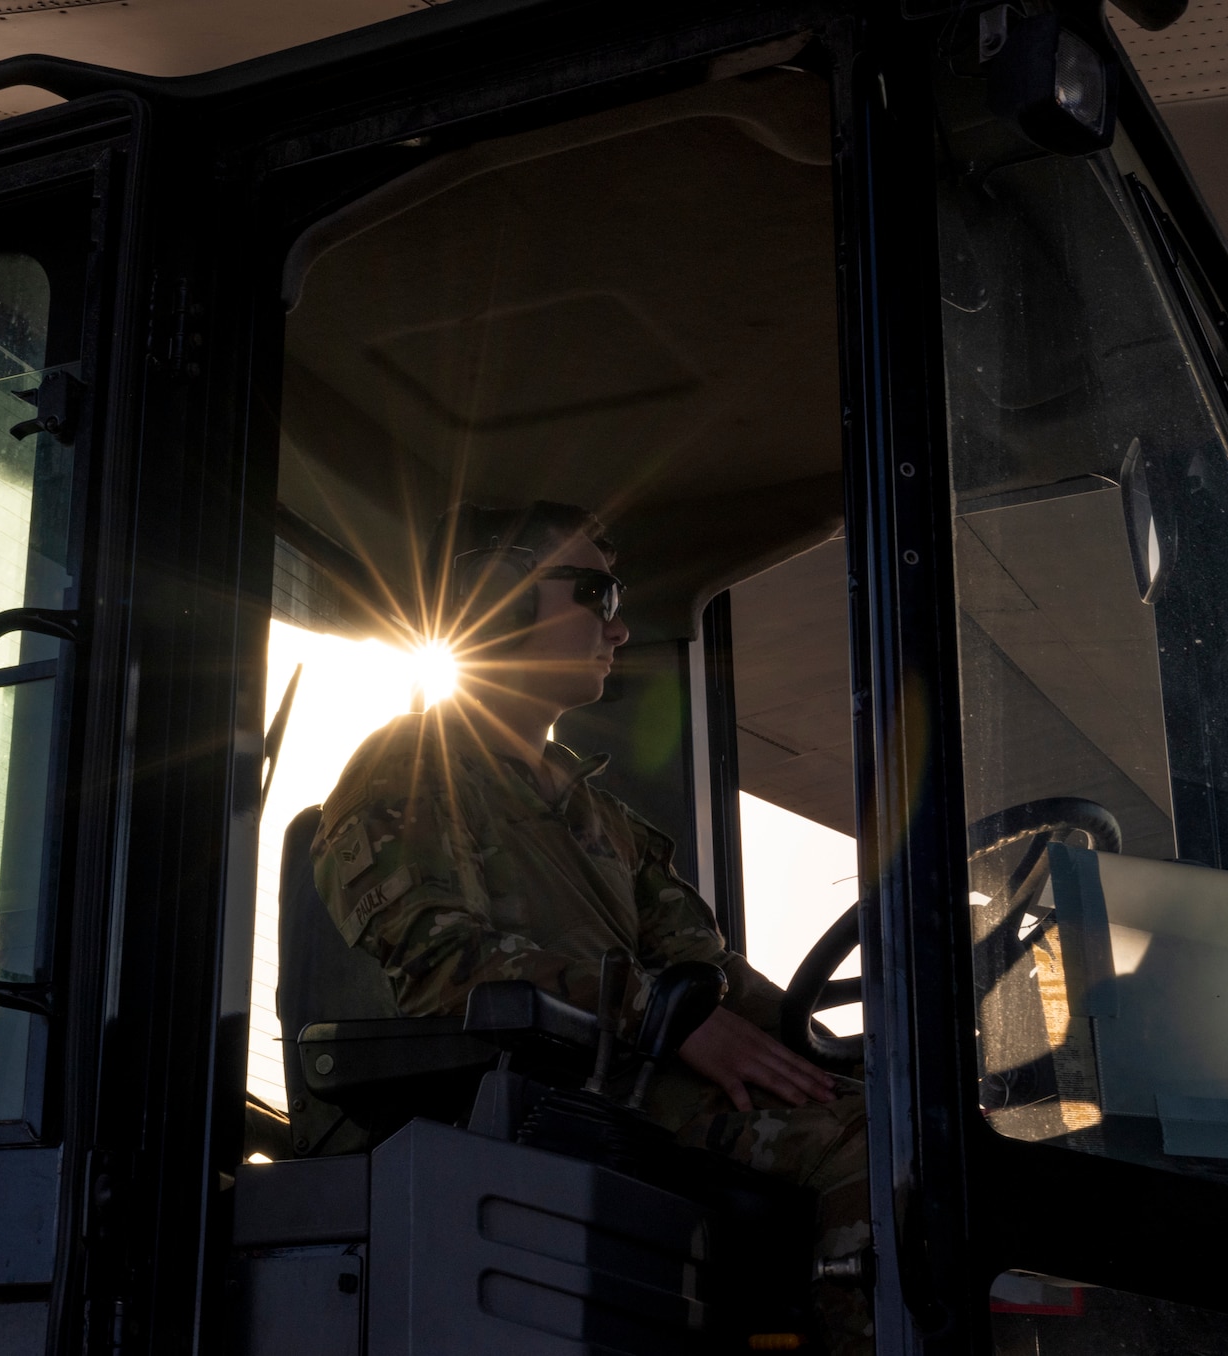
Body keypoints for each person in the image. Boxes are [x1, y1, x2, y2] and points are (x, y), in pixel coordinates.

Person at [310, 500, 871, 1353]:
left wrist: (845, 1053)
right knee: (870, 1158)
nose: (619, 629)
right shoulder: (410, 765)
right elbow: (443, 965)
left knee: (909, 1123)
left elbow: (708, 969)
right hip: (548, 1097)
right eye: (598, 596)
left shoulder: (606, 820)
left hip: (631, 1084)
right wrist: (656, 1014)